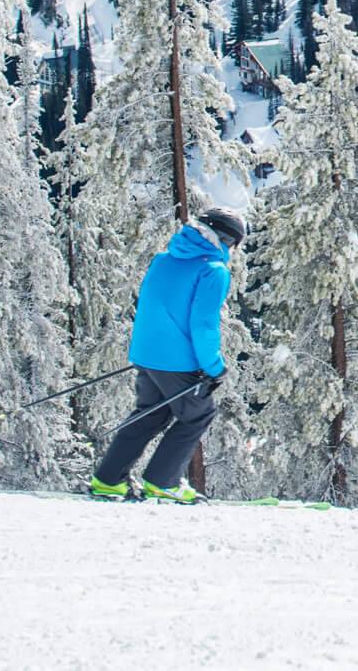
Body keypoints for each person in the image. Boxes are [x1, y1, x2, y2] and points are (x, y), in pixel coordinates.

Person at [88, 207, 246, 503]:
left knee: (150, 414)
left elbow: (151, 307)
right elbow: (203, 324)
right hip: (178, 361)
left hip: (148, 354)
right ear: (225, 240)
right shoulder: (213, 270)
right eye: (234, 244)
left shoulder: (163, 260)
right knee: (198, 415)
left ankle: (108, 480)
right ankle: (163, 482)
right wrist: (213, 366)